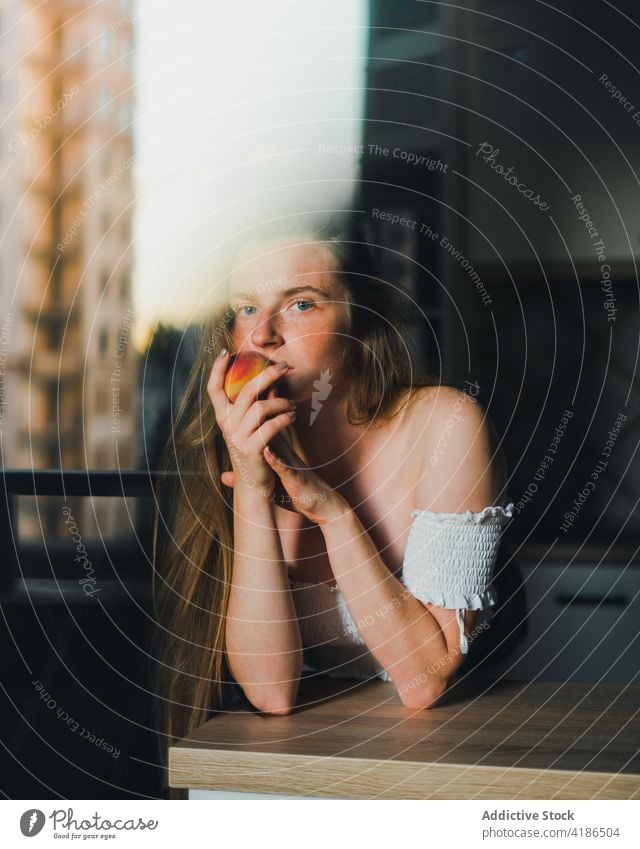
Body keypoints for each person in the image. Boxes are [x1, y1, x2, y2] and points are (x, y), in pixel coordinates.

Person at [151, 213, 520, 797]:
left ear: (361, 320)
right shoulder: (240, 448)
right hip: (302, 756)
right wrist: (250, 485)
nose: (264, 335)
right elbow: (271, 692)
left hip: (449, 754)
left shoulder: (445, 426)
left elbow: (424, 681)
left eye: (301, 304)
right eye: (246, 308)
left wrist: (332, 512)